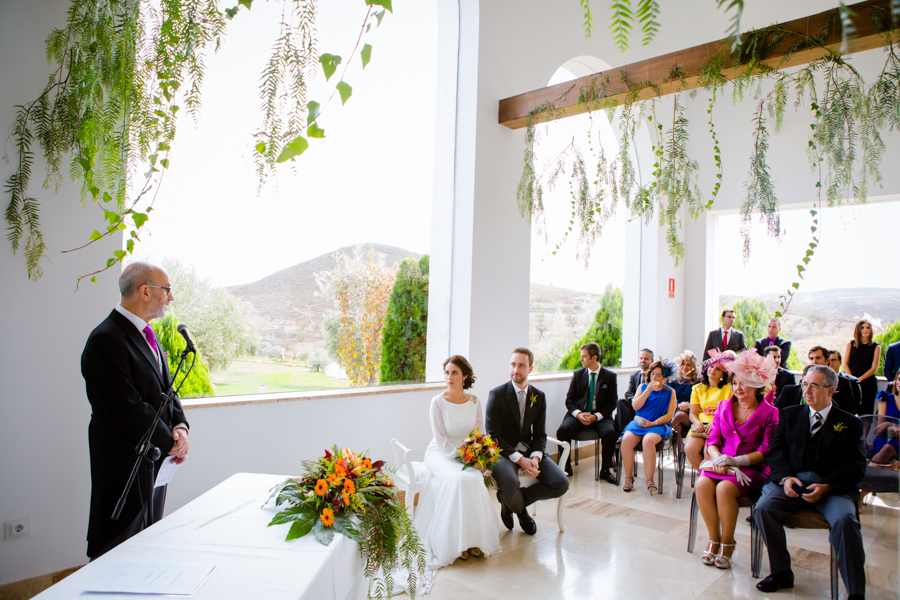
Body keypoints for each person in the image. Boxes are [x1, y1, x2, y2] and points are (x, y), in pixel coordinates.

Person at [81, 261, 190, 560]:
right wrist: (170, 442)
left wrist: (180, 428)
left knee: (147, 543)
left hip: (155, 461)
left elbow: (167, 391)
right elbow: (126, 407)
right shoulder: (106, 339)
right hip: (123, 465)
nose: (170, 297)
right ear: (144, 291)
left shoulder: (148, 336)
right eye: (166, 290)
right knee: (117, 547)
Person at [754, 366, 867, 599]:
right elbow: (775, 451)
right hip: (791, 482)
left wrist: (828, 486)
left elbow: (856, 465)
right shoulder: (789, 414)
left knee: (846, 520)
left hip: (832, 487)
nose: (807, 390)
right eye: (805, 384)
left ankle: (855, 592)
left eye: (814, 386)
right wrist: (785, 478)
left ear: (831, 390)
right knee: (763, 509)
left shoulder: (849, 423)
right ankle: (782, 571)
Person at [414, 355, 501, 567]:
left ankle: (473, 541)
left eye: (454, 372)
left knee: (472, 480)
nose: (449, 377)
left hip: (467, 454)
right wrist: (466, 458)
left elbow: (479, 434)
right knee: (458, 480)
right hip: (441, 454)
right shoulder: (437, 402)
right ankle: (456, 545)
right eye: (447, 372)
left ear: (465, 376)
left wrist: (479, 458)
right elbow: (442, 440)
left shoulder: (474, 401)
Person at [695, 350, 779, 569]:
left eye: (745, 383)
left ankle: (728, 543)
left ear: (759, 385)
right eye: (734, 383)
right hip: (720, 462)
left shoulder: (771, 413)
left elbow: (766, 450)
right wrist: (719, 460)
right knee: (702, 484)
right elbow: (712, 440)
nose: (738, 388)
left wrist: (735, 462)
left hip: (751, 467)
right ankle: (714, 539)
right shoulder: (724, 407)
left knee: (724, 489)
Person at [486, 348, 568, 535]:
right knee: (508, 484)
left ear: (530, 368)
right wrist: (520, 460)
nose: (516, 369)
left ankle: (510, 503)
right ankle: (522, 513)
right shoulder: (496, 395)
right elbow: (493, 436)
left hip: (530, 450)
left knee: (561, 483)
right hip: (503, 452)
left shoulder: (538, 396)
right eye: (513, 364)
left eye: (521, 365)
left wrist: (535, 458)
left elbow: (540, 434)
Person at [556, 343, 618, 483]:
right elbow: (569, 400)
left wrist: (595, 417)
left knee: (610, 432)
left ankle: (606, 470)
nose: (581, 359)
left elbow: (612, 403)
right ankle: (565, 466)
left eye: (584, 356)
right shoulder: (578, 375)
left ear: (594, 357)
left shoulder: (610, 376)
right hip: (579, 415)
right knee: (563, 431)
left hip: (600, 417)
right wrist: (578, 414)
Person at [619, 360, 676, 494]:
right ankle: (628, 477)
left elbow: (669, 415)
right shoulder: (642, 387)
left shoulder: (670, 392)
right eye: (653, 374)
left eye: (658, 375)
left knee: (648, 440)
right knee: (626, 440)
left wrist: (654, 423)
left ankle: (649, 480)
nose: (654, 378)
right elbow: (635, 406)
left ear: (664, 377)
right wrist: (648, 390)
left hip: (658, 424)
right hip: (639, 422)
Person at [685, 358, 733, 473]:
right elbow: (692, 413)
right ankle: (702, 477)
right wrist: (697, 423)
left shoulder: (729, 388)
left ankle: (703, 483)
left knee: (709, 453)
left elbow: (730, 413)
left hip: (719, 425)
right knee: (690, 449)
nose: (713, 370)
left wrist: (714, 424)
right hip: (700, 426)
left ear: (723, 373)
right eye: (711, 367)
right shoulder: (697, 388)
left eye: (718, 369)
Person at [843, 319, 882, 422]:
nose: (865, 330)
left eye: (868, 327)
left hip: (868, 384)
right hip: (851, 383)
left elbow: (874, 368)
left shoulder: (876, 347)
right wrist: (853, 380)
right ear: (858, 329)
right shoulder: (850, 344)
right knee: (850, 410)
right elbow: (845, 364)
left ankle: (864, 438)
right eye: (863, 327)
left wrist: (859, 380)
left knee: (866, 414)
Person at [807, 346, 860, 415]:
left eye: (818, 358)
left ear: (827, 360)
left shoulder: (843, 382)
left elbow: (850, 410)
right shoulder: (805, 381)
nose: (814, 362)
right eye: (811, 359)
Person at [618, 348, 654, 432]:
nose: (643, 360)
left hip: (649, 404)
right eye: (641, 358)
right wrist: (635, 400)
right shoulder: (634, 376)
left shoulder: (655, 375)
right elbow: (628, 393)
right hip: (635, 403)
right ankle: (622, 433)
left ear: (652, 361)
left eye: (646, 358)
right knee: (621, 402)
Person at [670, 351, 702, 441]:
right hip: (675, 412)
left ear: (694, 367)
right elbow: (669, 400)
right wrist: (679, 405)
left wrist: (689, 406)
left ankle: (664, 431)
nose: (685, 367)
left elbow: (702, 401)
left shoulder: (699, 383)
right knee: (678, 427)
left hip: (692, 415)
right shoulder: (674, 382)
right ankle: (679, 455)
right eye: (683, 364)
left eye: (688, 365)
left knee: (680, 415)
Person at [870, 372, 900, 466]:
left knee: (890, 449)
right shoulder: (885, 398)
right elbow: (880, 428)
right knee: (888, 448)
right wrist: (890, 426)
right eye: (899, 379)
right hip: (885, 437)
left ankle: (866, 476)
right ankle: (867, 476)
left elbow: (886, 425)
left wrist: (889, 424)